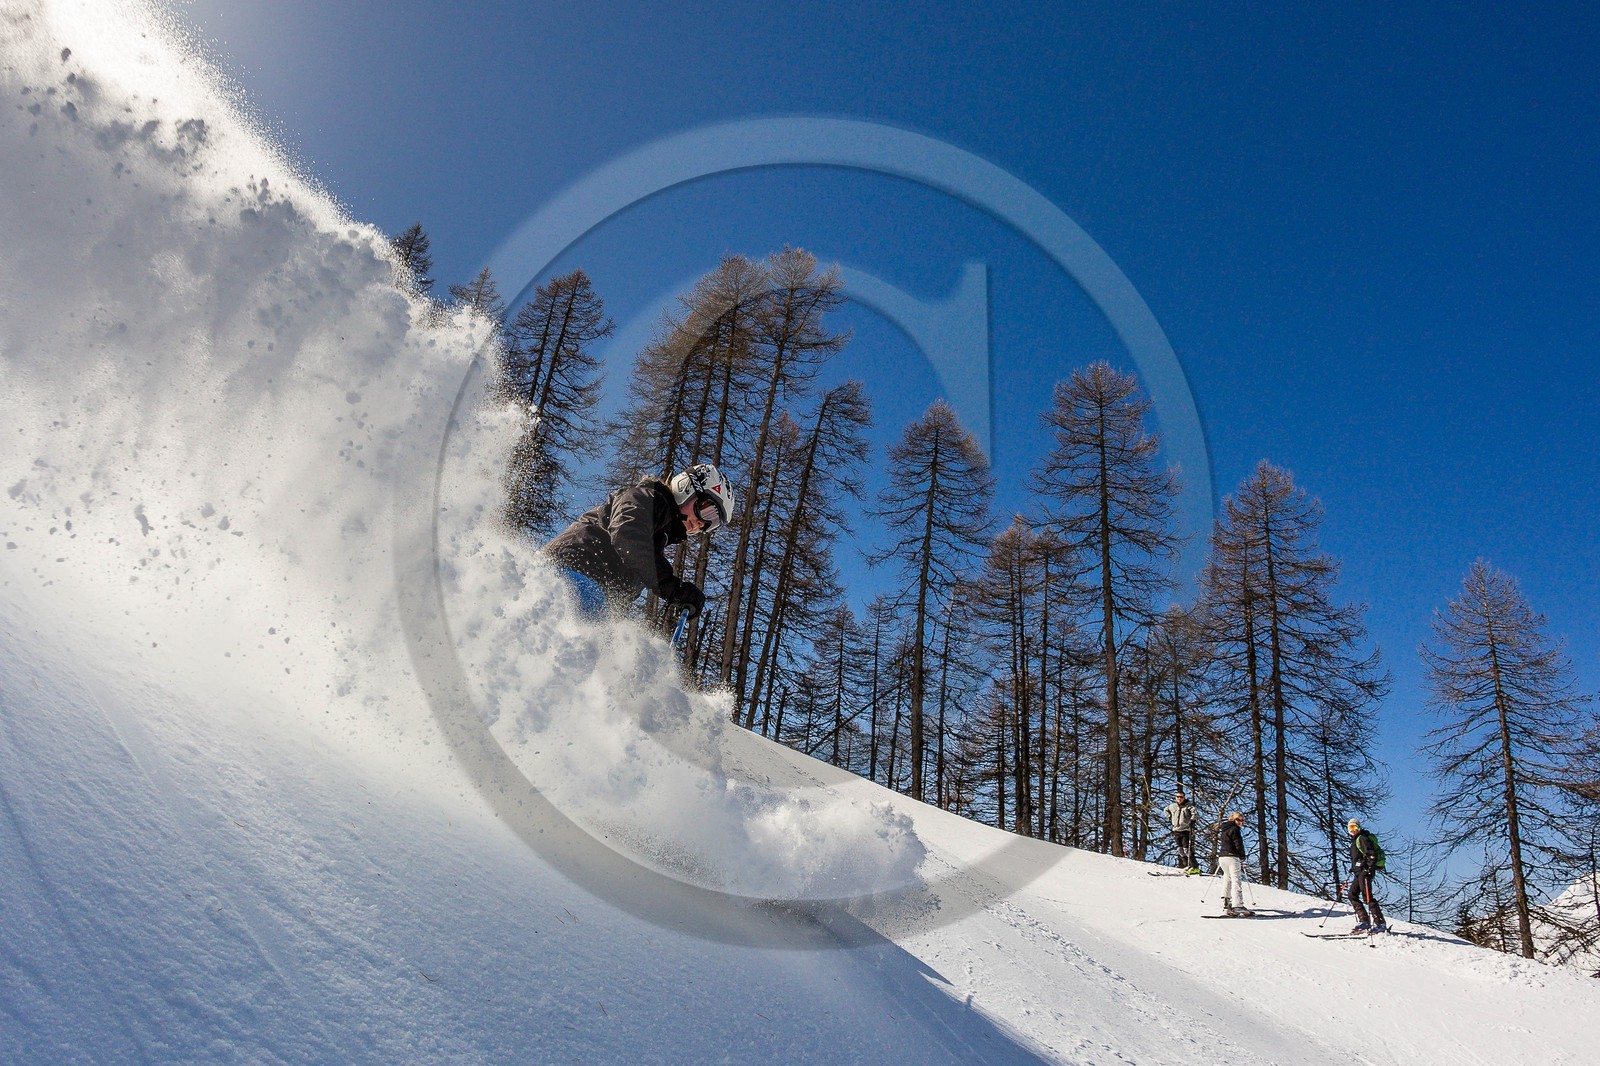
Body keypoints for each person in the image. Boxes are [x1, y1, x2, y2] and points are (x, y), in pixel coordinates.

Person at [543, 463, 736, 623]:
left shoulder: (659, 531)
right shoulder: (646, 497)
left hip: (590, 587)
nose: (703, 523)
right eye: (708, 511)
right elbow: (628, 536)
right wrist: (673, 588)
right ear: (688, 488)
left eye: (712, 524)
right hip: (573, 572)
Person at [1346, 818, 1387, 934]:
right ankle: (1364, 921)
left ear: (1358, 827)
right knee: (1352, 894)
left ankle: (1380, 923)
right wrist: (1354, 868)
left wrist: (1369, 868)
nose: (1352, 830)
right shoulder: (1356, 840)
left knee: (1367, 896)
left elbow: (1371, 854)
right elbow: (1359, 857)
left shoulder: (1362, 838)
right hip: (1359, 872)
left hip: (1365, 872)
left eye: (1354, 827)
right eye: (1350, 828)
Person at [1218, 811, 1252, 916]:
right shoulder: (1235, 830)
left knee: (1227, 877)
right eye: (1238, 820)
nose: (1240, 822)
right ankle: (1238, 904)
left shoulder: (1224, 829)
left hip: (1222, 857)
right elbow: (1238, 844)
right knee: (1236, 879)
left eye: (1242, 820)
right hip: (1232, 857)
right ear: (1233, 820)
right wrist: (1242, 855)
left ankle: (1225, 901)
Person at [1161, 790, 1199, 874]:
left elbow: (1195, 813)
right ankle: (1187, 866)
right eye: (1177, 797)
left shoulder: (1188, 806)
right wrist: (1169, 817)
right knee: (1180, 850)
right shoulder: (1172, 806)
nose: (1179, 798)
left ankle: (1195, 867)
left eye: (1181, 797)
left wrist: (1192, 820)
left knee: (1186, 849)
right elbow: (1165, 810)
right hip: (1176, 830)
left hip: (1185, 830)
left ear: (1184, 797)